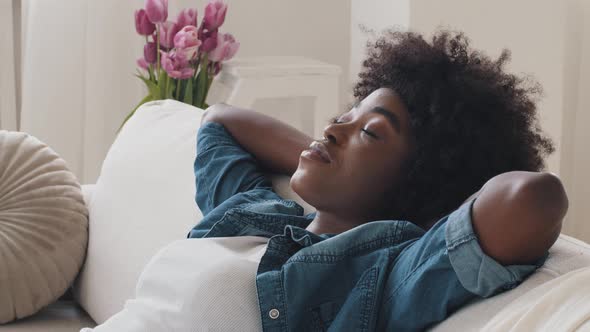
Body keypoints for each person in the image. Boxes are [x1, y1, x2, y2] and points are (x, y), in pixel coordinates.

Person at [187, 29, 568, 331]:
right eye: (347, 114)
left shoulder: (381, 279)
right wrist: (327, 157)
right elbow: (219, 122)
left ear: (419, 181)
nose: (333, 127)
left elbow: (534, 199)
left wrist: (339, 166)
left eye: (370, 132)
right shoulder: (258, 210)